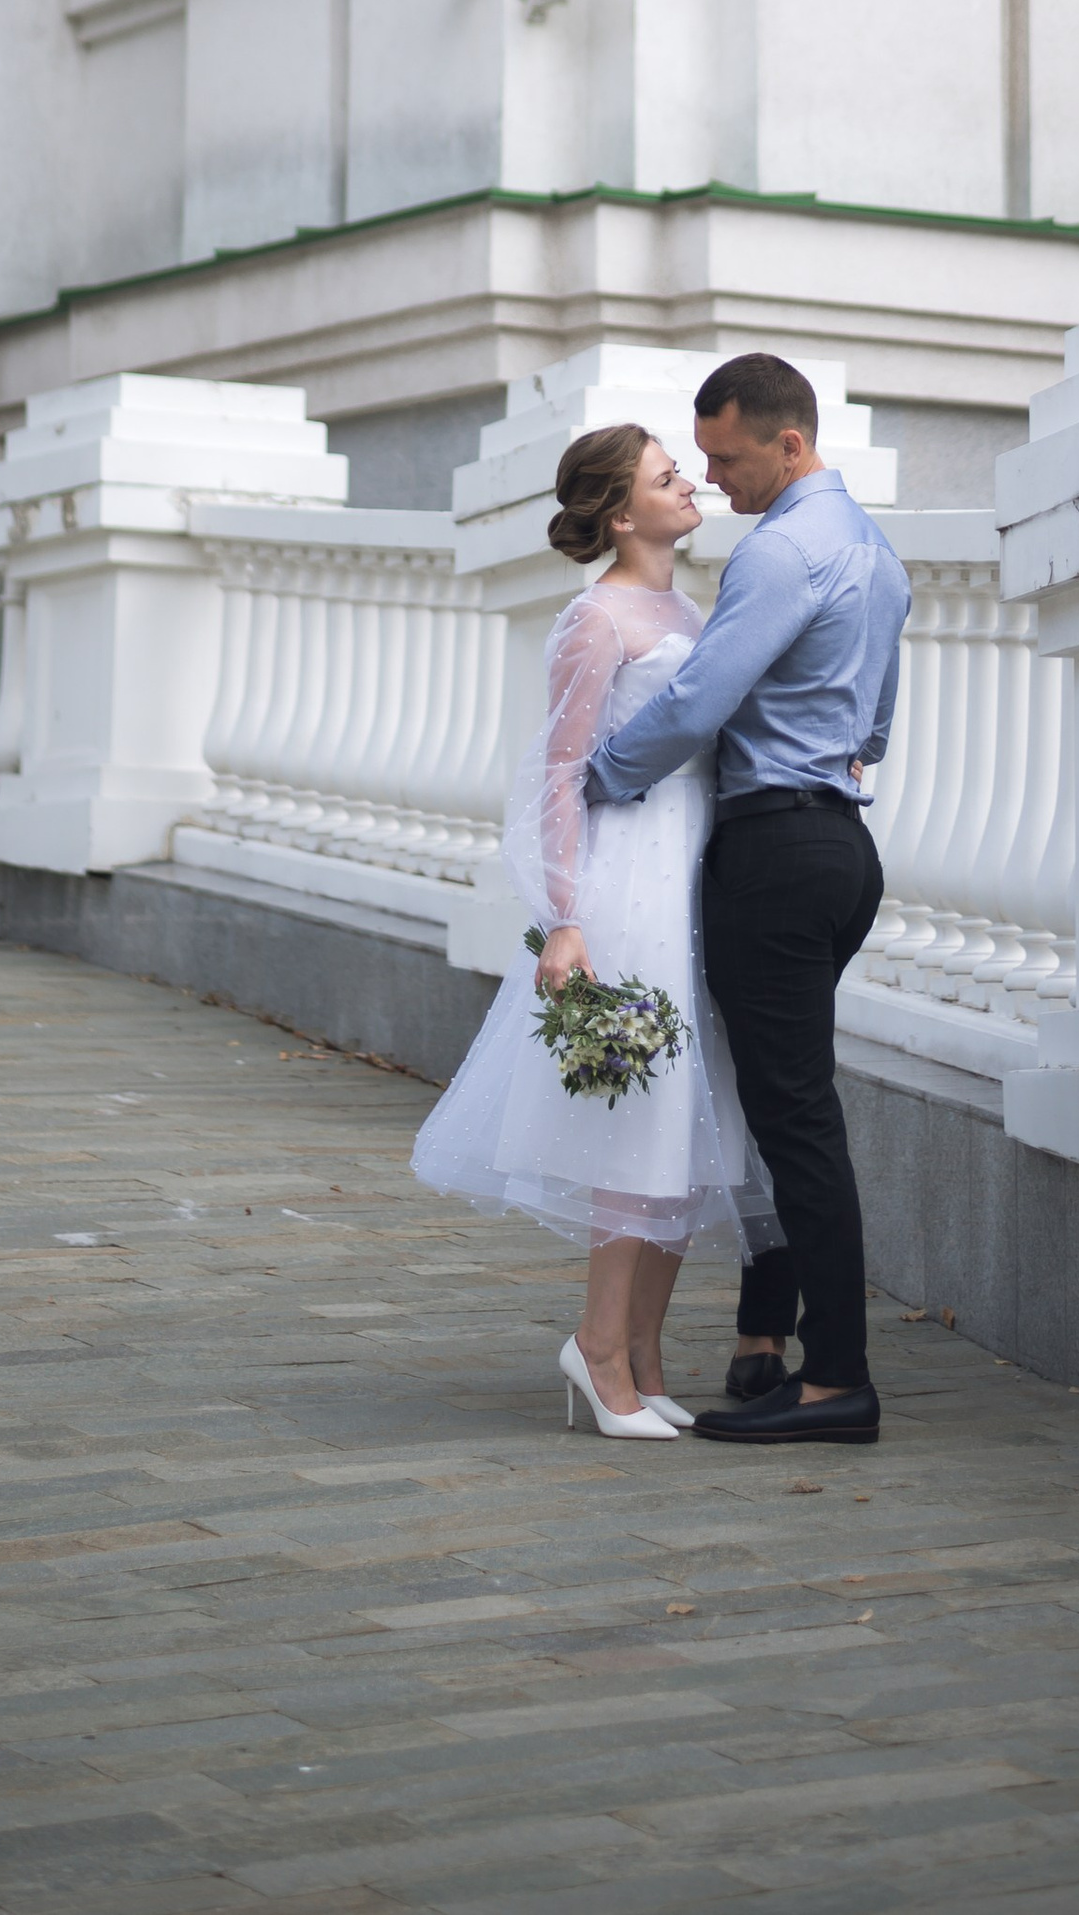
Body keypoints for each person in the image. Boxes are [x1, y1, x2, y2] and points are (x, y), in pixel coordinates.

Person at [409, 422, 777, 1440]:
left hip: (693, 874)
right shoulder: (595, 618)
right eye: (668, 477)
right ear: (622, 512)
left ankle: (646, 1357)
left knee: (692, 1132)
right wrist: (562, 920)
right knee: (640, 1129)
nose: (691, 482)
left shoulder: (689, 607)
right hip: (630, 885)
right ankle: (599, 1349)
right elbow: (557, 776)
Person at [585, 353, 909, 1446]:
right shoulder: (875, 550)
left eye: (725, 457)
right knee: (776, 1107)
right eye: (700, 459)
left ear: (789, 441)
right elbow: (873, 725)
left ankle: (836, 1379)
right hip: (841, 848)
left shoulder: (782, 550)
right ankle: (770, 1345)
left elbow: (696, 703)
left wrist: (602, 774)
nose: (715, 480)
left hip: (773, 852)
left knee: (792, 1122)